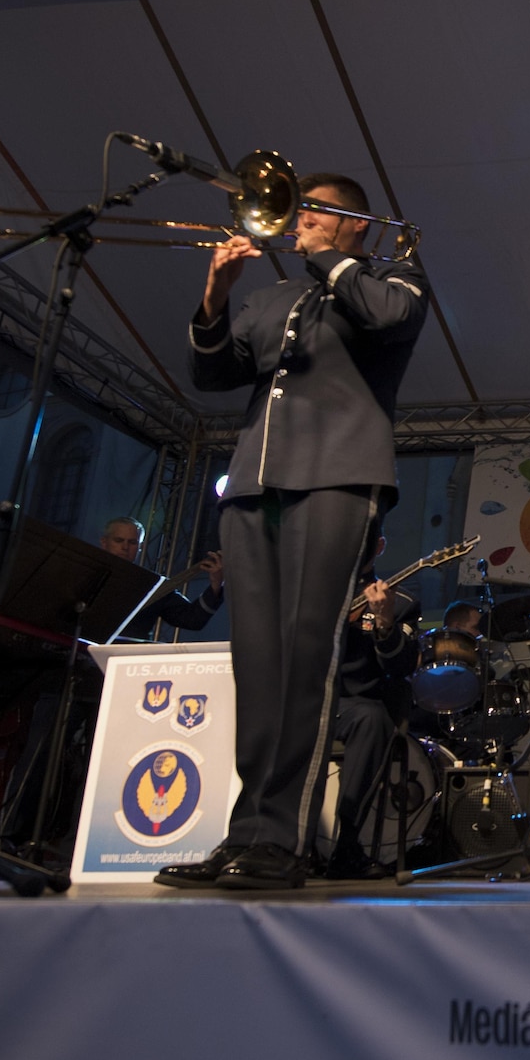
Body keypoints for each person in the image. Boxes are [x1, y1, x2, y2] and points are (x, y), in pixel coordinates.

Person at [157, 173, 429, 891]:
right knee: (259, 661)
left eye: (316, 209)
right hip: (254, 486)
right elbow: (211, 372)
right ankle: (248, 832)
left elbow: (387, 317)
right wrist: (217, 291)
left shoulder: (388, 276)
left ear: (355, 223)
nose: (300, 218)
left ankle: (286, 839)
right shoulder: (272, 296)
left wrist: (329, 256)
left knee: (308, 654)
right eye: (299, 208)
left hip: (337, 479)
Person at [323, 543, 422, 880]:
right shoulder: (313, 593)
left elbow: (401, 665)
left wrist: (384, 623)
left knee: (372, 718)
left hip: (356, 704)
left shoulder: (401, 602)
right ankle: (283, 845)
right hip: (309, 700)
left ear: (378, 546)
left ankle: (347, 845)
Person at [97, 516, 226, 639]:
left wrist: (216, 583)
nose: (125, 547)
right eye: (119, 540)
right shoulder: (85, 574)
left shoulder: (152, 585)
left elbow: (192, 620)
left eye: (132, 542)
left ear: (140, 547)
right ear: (104, 542)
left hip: (126, 656)